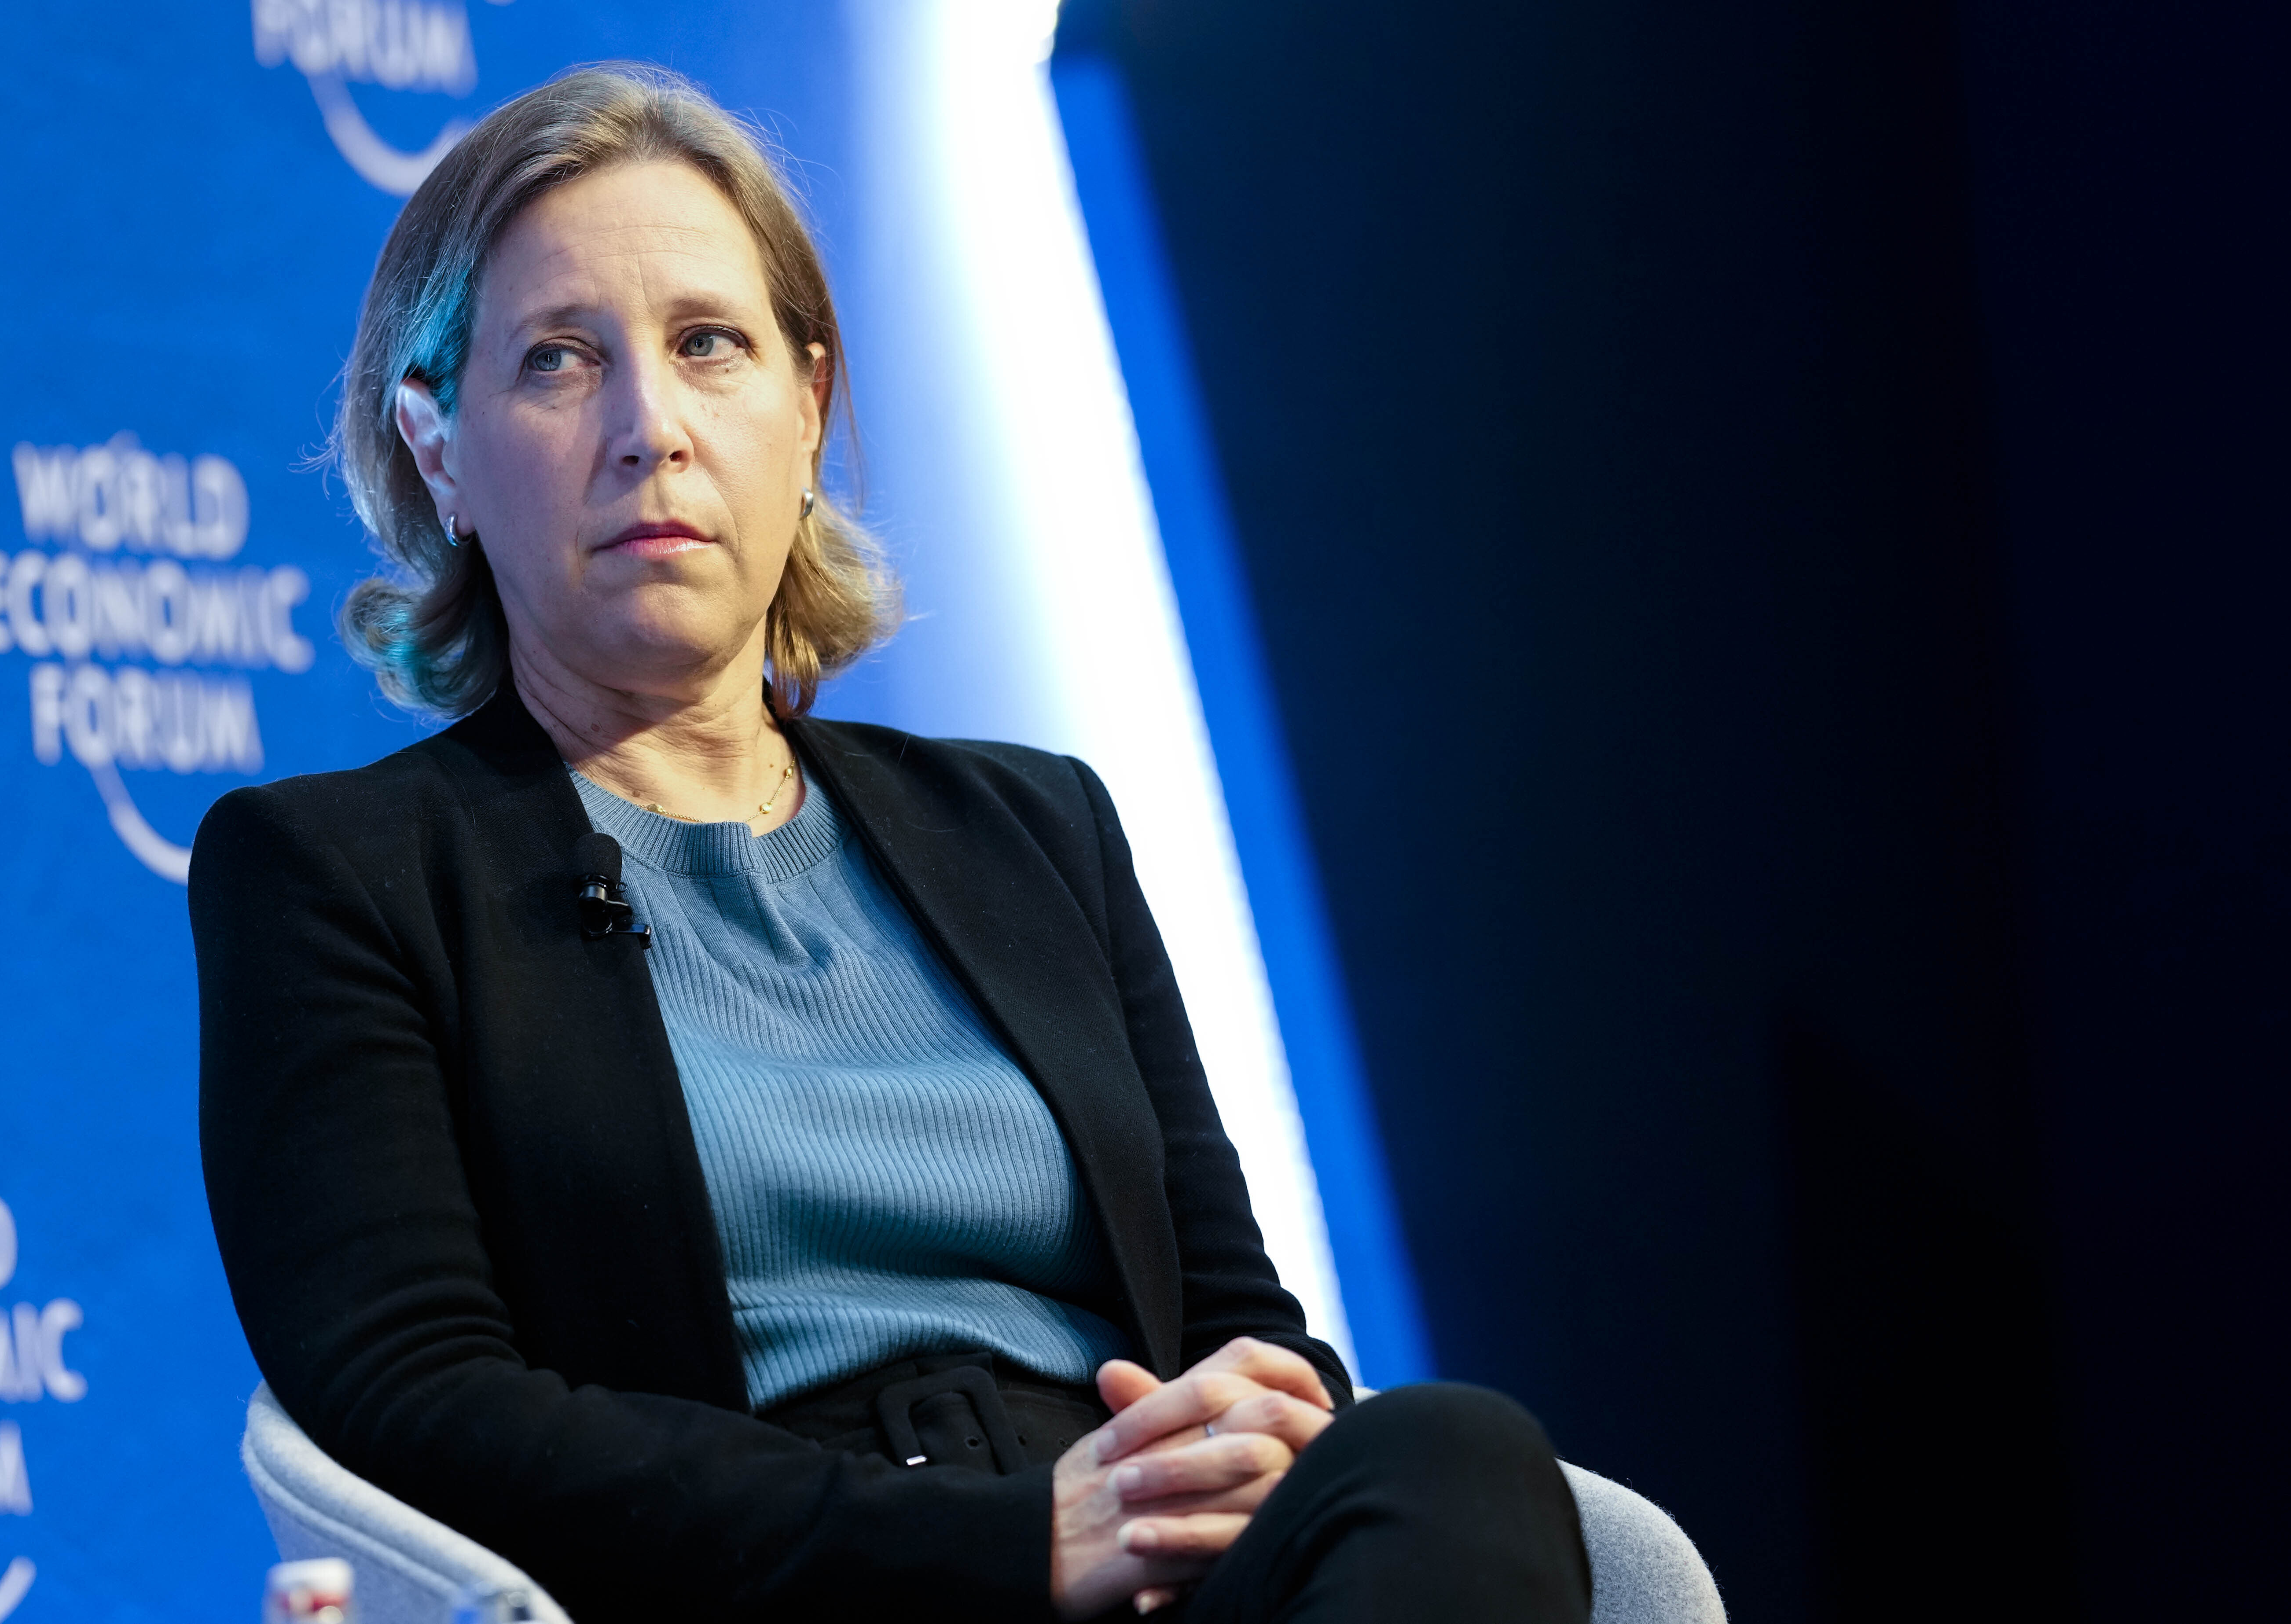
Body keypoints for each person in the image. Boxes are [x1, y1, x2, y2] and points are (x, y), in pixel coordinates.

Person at [193, 63, 1591, 1624]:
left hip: (1153, 1563)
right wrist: (1000, 1552)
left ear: (807, 409)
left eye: (707, 346)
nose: (651, 428)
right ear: (439, 447)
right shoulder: (336, 872)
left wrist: (1251, 1435)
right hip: (786, 1583)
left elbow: (1232, 1320)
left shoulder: (1037, 827)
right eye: (560, 361)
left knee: (1451, 1452)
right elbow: (422, 1406)